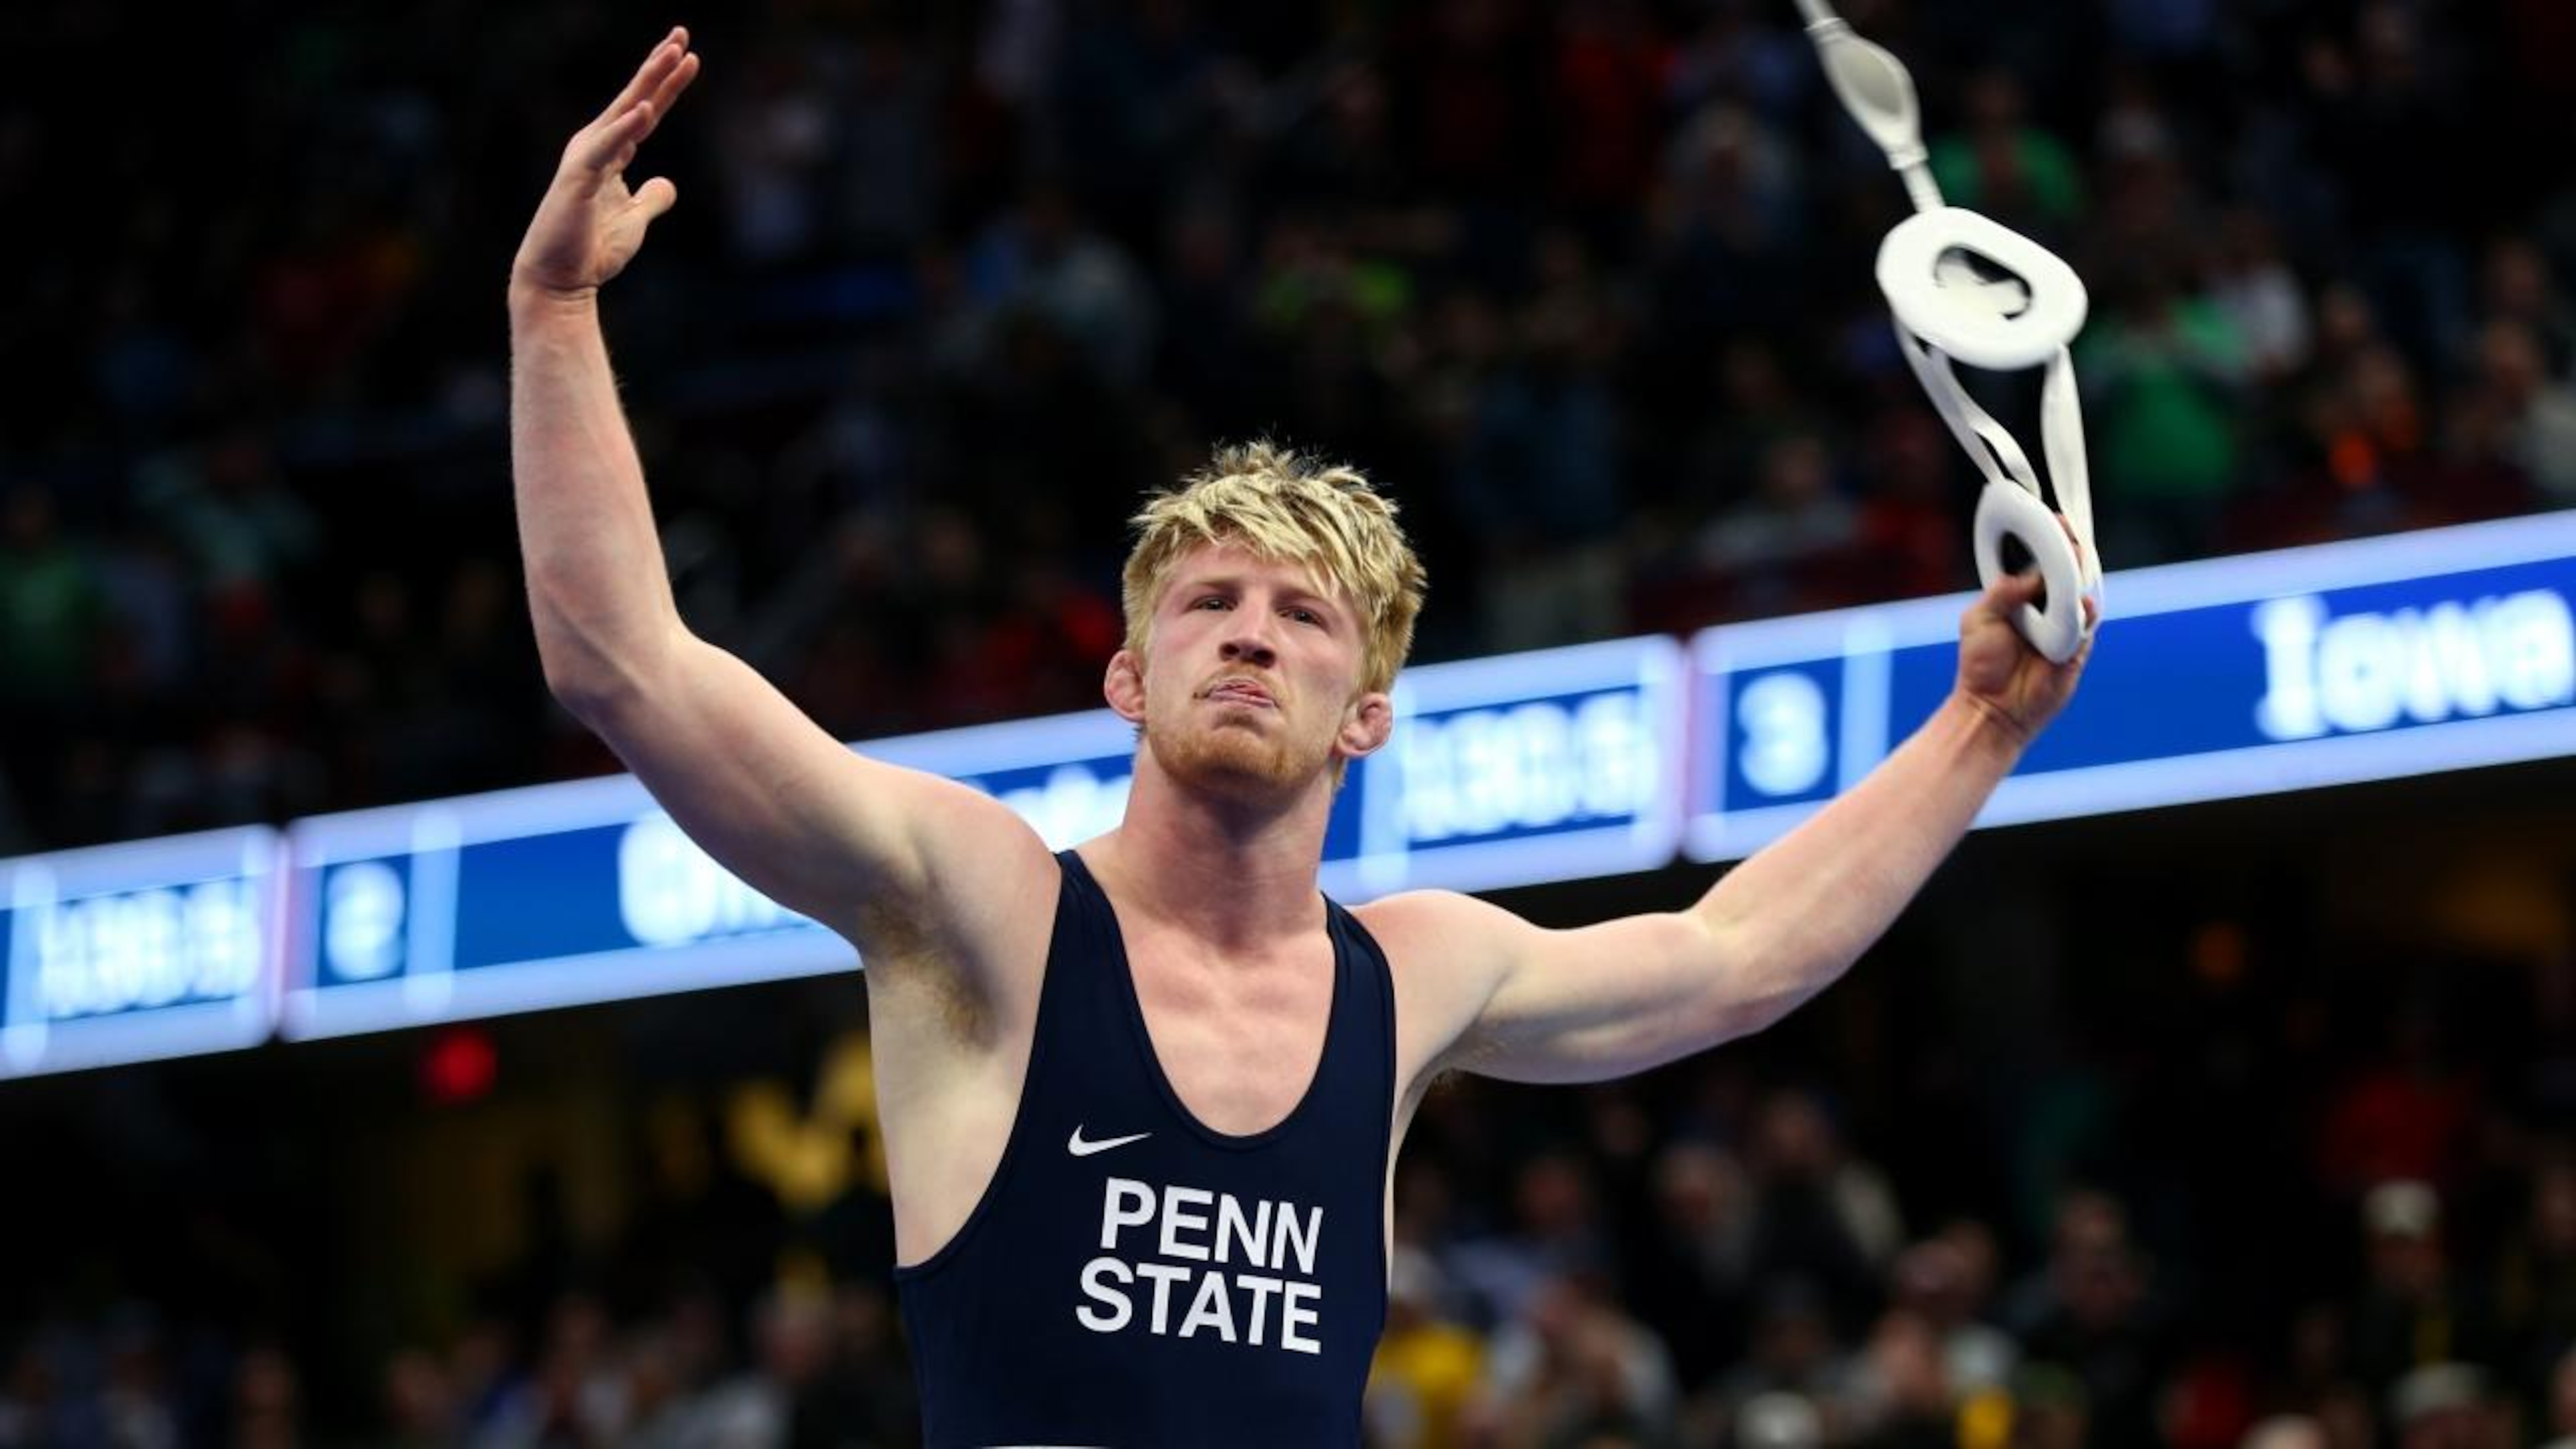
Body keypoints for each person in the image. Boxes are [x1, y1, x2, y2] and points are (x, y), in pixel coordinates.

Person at [508, 29, 2091, 1447]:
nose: (1253, 633)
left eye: (1304, 617)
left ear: (1368, 715)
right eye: (1208, 605)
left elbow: (1735, 957)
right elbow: (626, 668)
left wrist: (1981, 724)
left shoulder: (1416, 975)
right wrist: (557, 309)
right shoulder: (982, 901)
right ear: (1128, 681)